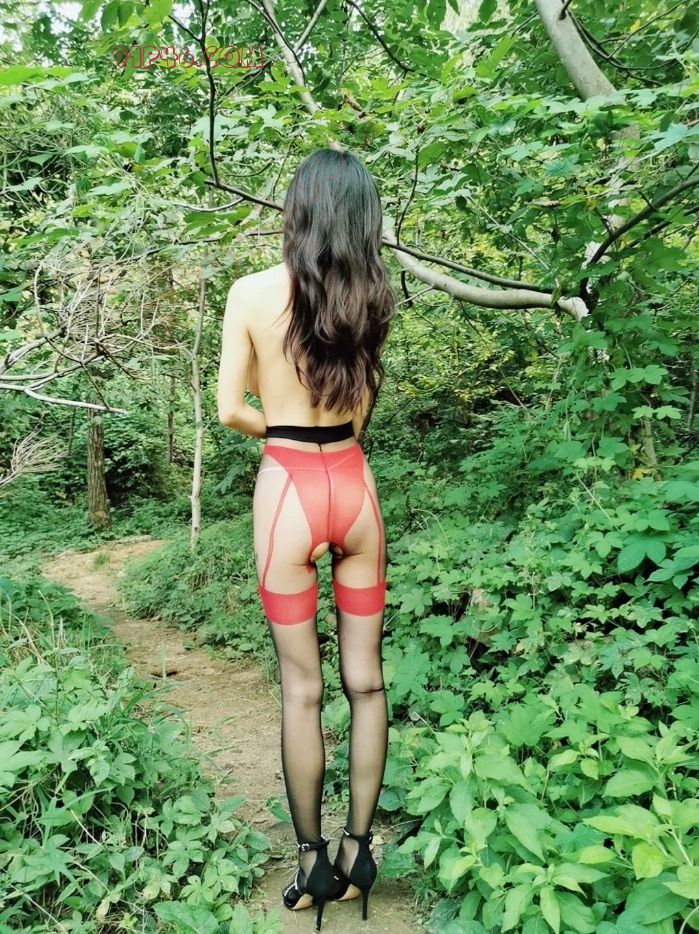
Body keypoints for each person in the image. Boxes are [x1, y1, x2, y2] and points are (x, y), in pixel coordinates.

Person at [216, 147, 396, 930]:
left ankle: (312, 862)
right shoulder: (371, 297)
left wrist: (282, 430)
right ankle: (360, 852)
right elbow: (361, 412)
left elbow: (230, 409)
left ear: (298, 209)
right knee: (367, 683)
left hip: (287, 489)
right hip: (355, 490)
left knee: (302, 689)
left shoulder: (251, 293)